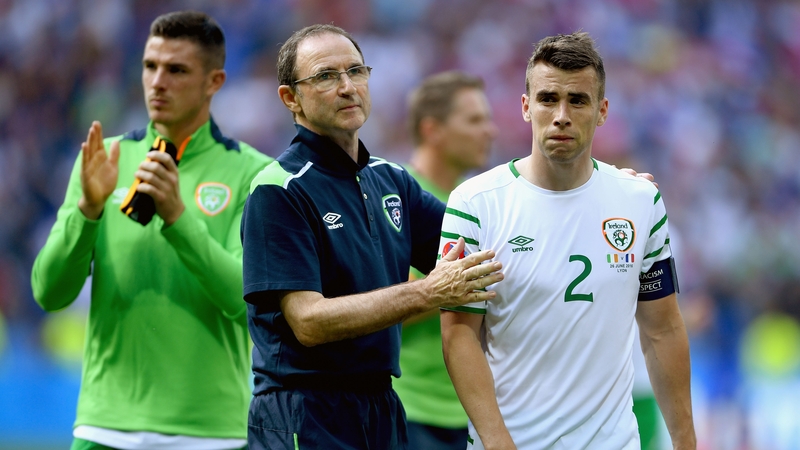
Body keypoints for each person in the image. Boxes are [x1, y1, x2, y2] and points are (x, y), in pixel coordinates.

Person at [240, 24, 504, 450]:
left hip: (381, 405)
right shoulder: (279, 189)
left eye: (356, 71)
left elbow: (489, 246)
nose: (347, 87)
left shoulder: (391, 180)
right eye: (326, 76)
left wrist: (598, 189)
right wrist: (426, 294)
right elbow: (308, 321)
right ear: (291, 98)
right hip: (304, 411)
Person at [440, 31, 696, 450]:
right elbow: (458, 335)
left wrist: (686, 443)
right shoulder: (475, 203)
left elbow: (662, 331)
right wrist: (497, 441)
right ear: (526, 107)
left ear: (601, 111)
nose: (561, 115)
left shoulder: (639, 201)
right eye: (547, 99)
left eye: (577, 100)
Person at [31, 11, 272, 450]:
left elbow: (247, 303)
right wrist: (87, 208)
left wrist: (178, 217)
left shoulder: (253, 173)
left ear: (214, 82)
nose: (157, 82)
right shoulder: (103, 160)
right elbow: (49, 292)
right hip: (104, 426)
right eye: (150, 66)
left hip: (210, 432)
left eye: (176, 70)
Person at [396, 71, 497, 450]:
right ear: (432, 129)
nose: (490, 131)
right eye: (474, 120)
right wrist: (449, 286)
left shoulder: (476, 204)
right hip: (412, 408)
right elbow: (376, 301)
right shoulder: (395, 196)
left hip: (472, 411)